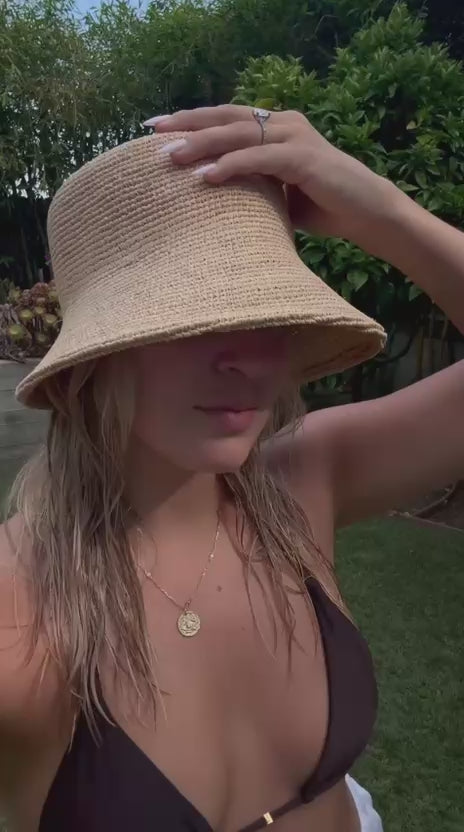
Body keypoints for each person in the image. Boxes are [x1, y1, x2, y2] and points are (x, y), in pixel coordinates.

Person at [0, 104, 463, 832]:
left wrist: (379, 207)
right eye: (191, 320)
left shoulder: (303, 481)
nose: (250, 360)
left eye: (267, 314)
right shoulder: (22, 609)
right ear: (95, 356)